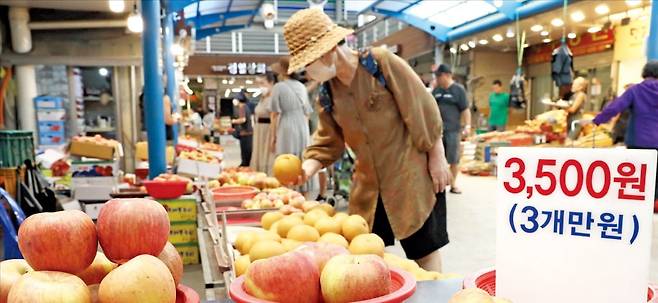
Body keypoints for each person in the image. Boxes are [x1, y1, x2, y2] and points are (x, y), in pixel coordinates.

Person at [284, 8, 450, 271]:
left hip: (410, 176)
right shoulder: (327, 94)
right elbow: (328, 142)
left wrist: (437, 157)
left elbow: (422, 107)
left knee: (425, 251)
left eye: (308, 62)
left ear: (327, 51)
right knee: (367, 258)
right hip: (368, 188)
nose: (308, 70)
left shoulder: (379, 64)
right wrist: (306, 169)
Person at [588, 61, 658, 201]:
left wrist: (598, 120)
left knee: (639, 174)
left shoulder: (635, 90)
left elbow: (615, 107)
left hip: (638, 140)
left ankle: (639, 203)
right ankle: (654, 202)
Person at [269, 57, 316, 194]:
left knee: (285, 160)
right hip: (302, 125)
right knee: (301, 159)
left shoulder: (278, 87)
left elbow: (274, 114)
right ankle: (303, 192)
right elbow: (307, 112)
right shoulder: (301, 87)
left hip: (286, 125)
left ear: (282, 72)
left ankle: (286, 193)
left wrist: (273, 137)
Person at [433, 64, 470, 194]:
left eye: (439, 76)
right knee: (437, 157)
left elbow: (465, 109)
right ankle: (438, 184)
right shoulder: (436, 91)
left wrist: (467, 126)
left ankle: (453, 185)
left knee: (453, 159)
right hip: (437, 131)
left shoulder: (458, 90)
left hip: (453, 130)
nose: (437, 78)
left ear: (448, 75)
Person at [250, 72, 277, 175]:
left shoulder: (273, 98)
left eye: (262, 83)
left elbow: (274, 117)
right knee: (259, 154)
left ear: (271, 82)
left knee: (267, 155)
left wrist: (274, 138)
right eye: (258, 83)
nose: (260, 86)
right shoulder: (262, 98)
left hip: (268, 130)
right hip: (259, 130)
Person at [231, 91, 253, 167]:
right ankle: (245, 165)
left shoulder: (242, 107)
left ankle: (245, 167)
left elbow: (243, 119)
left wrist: (233, 121)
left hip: (245, 134)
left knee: (245, 153)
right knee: (247, 153)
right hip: (248, 134)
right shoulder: (245, 106)